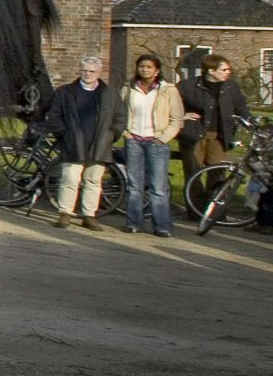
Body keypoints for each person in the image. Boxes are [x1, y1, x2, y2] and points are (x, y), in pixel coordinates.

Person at [45, 56, 120, 229]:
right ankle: (64, 214)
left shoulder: (110, 94)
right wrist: (64, 134)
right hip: (73, 142)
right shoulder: (65, 92)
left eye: (92, 71)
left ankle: (89, 215)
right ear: (80, 71)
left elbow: (120, 117)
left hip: (99, 143)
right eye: (84, 70)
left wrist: (112, 134)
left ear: (99, 73)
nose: (88, 74)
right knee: (69, 179)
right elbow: (54, 116)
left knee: (93, 181)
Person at [119, 53, 181, 238]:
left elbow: (176, 119)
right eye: (142, 66)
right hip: (134, 140)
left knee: (158, 185)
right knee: (134, 184)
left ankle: (162, 224)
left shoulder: (168, 90)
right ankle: (133, 222)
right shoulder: (128, 89)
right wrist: (126, 134)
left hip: (156, 142)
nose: (145, 70)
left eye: (149, 67)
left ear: (157, 71)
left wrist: (163, 137)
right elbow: (119, 113)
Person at [180, 54, 246, 211]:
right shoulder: (187, 86)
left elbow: (241, 106)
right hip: (194, 135)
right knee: (193, 173)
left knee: (217, 172)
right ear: (211, 71)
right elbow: (172, 105)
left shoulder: (231, 87)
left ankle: (214, 211)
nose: (228, 72)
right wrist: (182, 116)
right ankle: (195, 210)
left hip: (219, 135)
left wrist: (248, 120)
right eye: (224, 69)